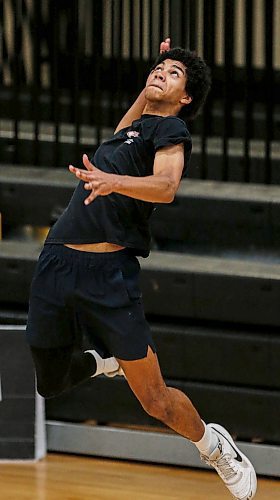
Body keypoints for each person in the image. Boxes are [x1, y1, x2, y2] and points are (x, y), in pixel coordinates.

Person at [26, 38, 257, 499]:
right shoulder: (130, 132)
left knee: (154, 401)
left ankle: (213, 446)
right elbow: (137, 114)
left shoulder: (171, 133)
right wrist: (157, 77)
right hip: (56, 262)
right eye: (159, 66)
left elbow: (166, 186)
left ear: (187, 98)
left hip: (109, 275)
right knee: (49, 382)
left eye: (174, 75)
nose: (160, 73)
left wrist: (115, 182)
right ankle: (103, 361)